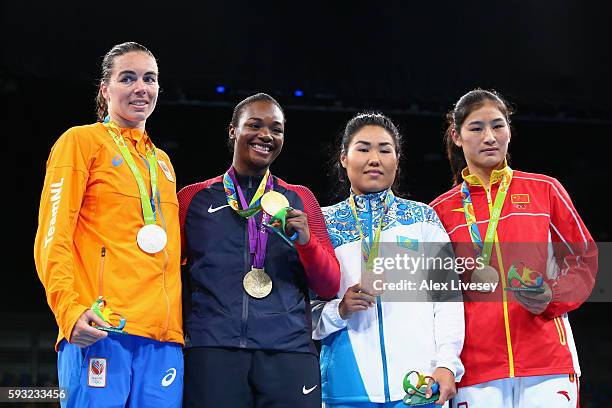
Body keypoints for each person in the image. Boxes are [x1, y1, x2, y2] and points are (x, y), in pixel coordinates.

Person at [33, 42, 183, 407]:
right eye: (127, 78)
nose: (140, 87)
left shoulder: (161, 162)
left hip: (164, 340)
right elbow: (53, 236)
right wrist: (68, 310)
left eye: (150, 78)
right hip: (101, 328)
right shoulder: (80, 142)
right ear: (105, 89)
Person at [429, 89, 598, 407]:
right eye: (476, 128)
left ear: (509, 130)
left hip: (547, 361)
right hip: (476, 370)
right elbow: (436, 297)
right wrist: (443, 362)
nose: (489, 137)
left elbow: (584, 259)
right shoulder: (438, 211)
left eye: (498, 125)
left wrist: (553, 296)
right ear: (457, 135)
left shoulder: (544, 190)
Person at [177, 92, 340, 408]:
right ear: (232, 130)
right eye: (255, 125)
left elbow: (329, 285)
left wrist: (306, 243)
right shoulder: (193, 199)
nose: (266, 135)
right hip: (213, 350)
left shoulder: (300, 199)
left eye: (276, 129)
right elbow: (166, 275)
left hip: (289, 352)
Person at [313, 112, 465, 408]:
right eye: (363, 148)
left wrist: (447, 364)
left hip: (419, 384)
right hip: (346, 387)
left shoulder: (423, 219)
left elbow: (447, 299)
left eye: (385, 149)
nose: (374, 158)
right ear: (344, 158)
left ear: (397, 159)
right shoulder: (322, 223)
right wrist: (339, 309)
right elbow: (301, 310)